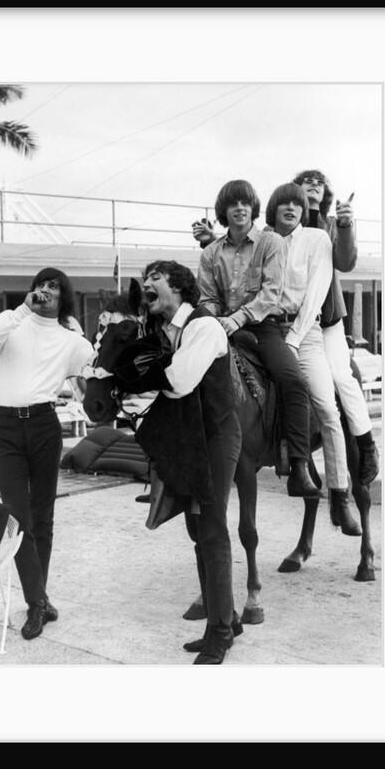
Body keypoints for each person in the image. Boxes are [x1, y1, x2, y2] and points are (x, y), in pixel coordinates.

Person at [113, 260, 242, 665]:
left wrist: (137, 380)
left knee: (212, 530)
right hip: (187, 437)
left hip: (215, 437)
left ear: (180, 289)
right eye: (146, 278)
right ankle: (226, 617)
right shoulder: (162, 331)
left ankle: (220, 632)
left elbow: (180, 381)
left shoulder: (204, 327)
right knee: (197, 531)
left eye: (156, 278)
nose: (146, 284)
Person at [0, 268, 94, 641]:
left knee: (42, 518)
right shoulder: (12, 325)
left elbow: (90, 370)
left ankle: (37, 600)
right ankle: (38, 601)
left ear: (65, 296)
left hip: (44, 426)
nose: (44, 290)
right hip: (7, 429)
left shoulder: (71, 339)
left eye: (53, 286)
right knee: (18, 517)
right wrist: (21, 310)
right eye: (40, 284)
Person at [195, 179, 322, 499]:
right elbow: (208, 296)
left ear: (253, 209)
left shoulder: (271, 242)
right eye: (232, 204)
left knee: (292, 380)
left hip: (263, 326)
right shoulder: (211, 252)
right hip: (221, 327)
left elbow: (271, 293)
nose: (239, 208)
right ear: (223, 211)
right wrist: (211, 320)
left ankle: (298, 464)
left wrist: (235, 319)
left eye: (245, 203)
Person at [262, 183, 361, 534]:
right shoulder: (264, 240)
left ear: (305, 210)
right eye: (283, 203)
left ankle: (339, 493)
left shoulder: (317, 240)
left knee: (327, 407)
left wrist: (293, 339)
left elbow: (316, 294)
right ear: (271, 209)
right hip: (265, 329)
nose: (290, 208)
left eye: (297, 204)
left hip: (306, 333)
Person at [291, 170, 379, 485]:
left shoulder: (330, 224)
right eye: (307, 180)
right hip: (286, 321)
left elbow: (345, 261)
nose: (314, 184)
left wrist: (344, 225)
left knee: (342, 375)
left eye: (320, 182)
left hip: (325, 321)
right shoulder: (281, 225)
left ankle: (366, 445)